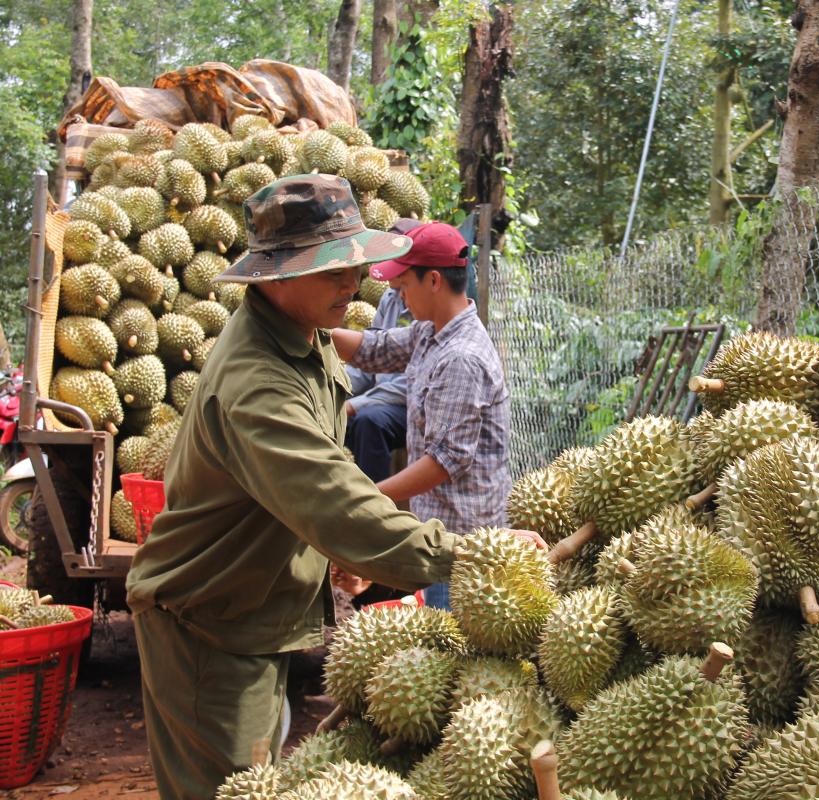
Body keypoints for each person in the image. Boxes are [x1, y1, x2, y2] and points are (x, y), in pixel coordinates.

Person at [124, 175, 542, 800]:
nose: (354, 284)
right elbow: (333, 501)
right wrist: (482, 553)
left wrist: (328, 555)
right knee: (232, 790)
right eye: (332, 271)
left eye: (355, 266)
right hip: (208, 623)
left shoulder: (305, 337)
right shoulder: (257, 385)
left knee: (260, 774)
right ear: (279, 275)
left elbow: (315, 485)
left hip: (251, 611)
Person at [331, 221, 512, 609]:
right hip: (438, 534)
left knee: (454, 647)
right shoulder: (431, 331)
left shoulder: (461, 357)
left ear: (433, 281)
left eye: (403, 287)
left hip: (464, 544)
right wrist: (312, 331)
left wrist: (370, 498)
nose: (399, 296)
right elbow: (374, 349)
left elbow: (444, 462)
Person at [342, 221, 418, 483]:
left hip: (411, 405)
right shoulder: (389, 298)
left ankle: (375, 506)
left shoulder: (426, 308)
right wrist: (336, 390)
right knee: (341, 421)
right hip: (381, 398)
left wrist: (357, 404)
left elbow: (411, 385)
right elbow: (370, 358)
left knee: (369, 421)